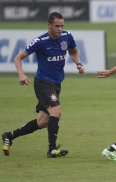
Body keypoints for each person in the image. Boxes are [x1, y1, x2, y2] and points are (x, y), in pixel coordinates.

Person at [2, 12, 85, 158]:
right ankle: (52, 149)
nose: (60, 29)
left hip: (57, 83)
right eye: (57, 26)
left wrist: (78, 63)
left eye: (62, 26)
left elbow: (73, 51)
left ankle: (9, 135)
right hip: (43, 83)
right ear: (49, 25)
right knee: (56, 111)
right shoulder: (40, 41)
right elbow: (18, 57)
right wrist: (21, 74)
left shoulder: (67, 36)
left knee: (43, 122)